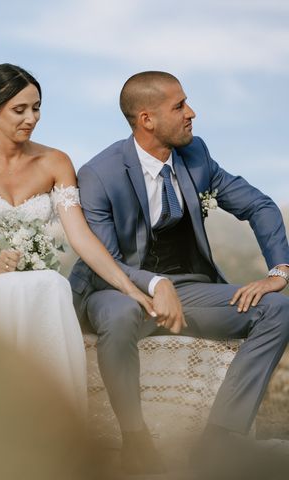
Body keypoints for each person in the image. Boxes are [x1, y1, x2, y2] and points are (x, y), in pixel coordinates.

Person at [70, 70, 289, 475]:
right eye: (179, 106)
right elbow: (105, 259)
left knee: (277, 309)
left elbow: (259, 204)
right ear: (146, 119)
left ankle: (218, 440)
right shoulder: (98, 174)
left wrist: (279, 270)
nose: (192, 113)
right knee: (118, 316)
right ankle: (134, 439)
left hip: (188, 289)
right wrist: (156, 284)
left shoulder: (196, 154)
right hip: (114, 288)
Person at [0, 64, 155, 409]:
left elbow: (81, 237)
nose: (31, 118)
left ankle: (54, 420)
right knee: (34, 287)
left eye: (36, 107)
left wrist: (129, 287)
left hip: (32, 281)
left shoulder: (55, 161)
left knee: (53, 283)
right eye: (19, 109)